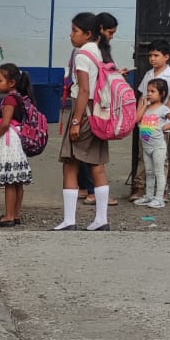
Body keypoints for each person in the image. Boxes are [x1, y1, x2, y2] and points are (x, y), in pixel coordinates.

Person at [55, 12, 113, 231]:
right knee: (97, 165)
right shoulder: (101, 53)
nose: (71, 35)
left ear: (88, 33)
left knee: (70, 165)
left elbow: (84, 91)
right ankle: (101, 219)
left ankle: (69, 220)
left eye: (75, 31)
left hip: (85, 113)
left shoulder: (82, 55)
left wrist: (76, 121)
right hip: (100, 114)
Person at [129, 39, 170, 200]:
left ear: (166, 57)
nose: (152, 58)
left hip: (160, 124)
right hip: (145, 124)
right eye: (150, 55)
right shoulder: (148, 75)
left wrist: (162, 114)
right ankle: (139, 187)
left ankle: (162, 190)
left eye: (156, 55)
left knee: (161, 158)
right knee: (142, 155)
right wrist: (139, 114)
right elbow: (142, 97)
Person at [78, 11, 122, 206]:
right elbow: (85, 88)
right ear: (99, 29)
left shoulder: (87, 51)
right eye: (110, 32)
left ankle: (85, 189)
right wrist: (75, 120)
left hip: (90, 104)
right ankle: (92, 192)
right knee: (93, 155)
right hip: (94, 106)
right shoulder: (92, 51)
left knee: (81, 153)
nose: (111, 36)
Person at [0, 63, 34, 227]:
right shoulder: (20, 98)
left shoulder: (9, 99)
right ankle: (15, 214)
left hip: (9, 140)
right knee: (17, 181)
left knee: (10, 180)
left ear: (11, 83)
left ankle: (8, 216)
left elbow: (5, 123)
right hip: (18, 139)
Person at [133, 78, 170, 208]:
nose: (149, 94)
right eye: (148, 91)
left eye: (153, 91)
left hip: (158, 147)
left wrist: (163, 128)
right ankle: (148, 196)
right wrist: (143, 105)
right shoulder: (146, 107)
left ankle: (159, 198)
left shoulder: (163, 109)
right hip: (146, 146)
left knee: (159, 172)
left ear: (162, 93)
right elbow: (137, 118)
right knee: (149, 172)